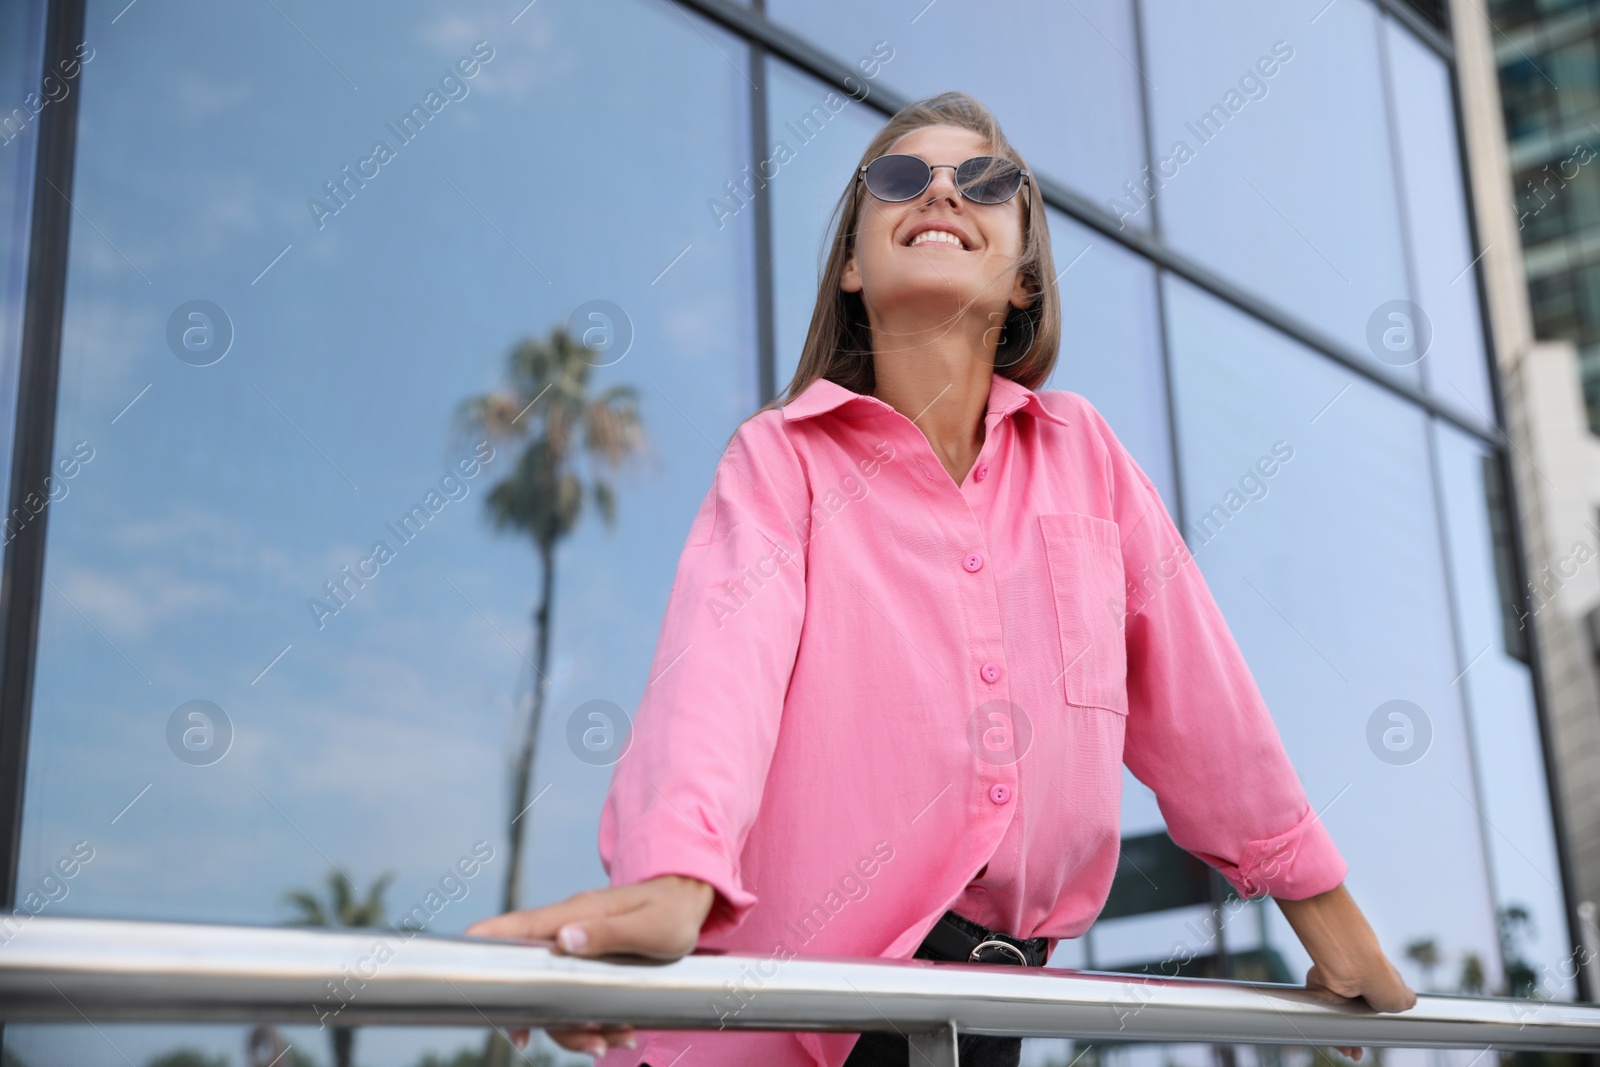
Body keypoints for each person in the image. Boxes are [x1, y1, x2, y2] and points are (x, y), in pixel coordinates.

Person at [465, 90, 1417, 1067]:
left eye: (986, 182)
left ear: (1021, 279)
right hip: (776, 1024)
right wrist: (675, 877)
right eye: (898, 177)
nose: (942, 192)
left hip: (986, 1015)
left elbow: (1202, 703)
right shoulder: (780, 462)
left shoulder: (1085, 457)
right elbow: (718, 679)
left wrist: (1325, 910)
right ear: (849, 264)